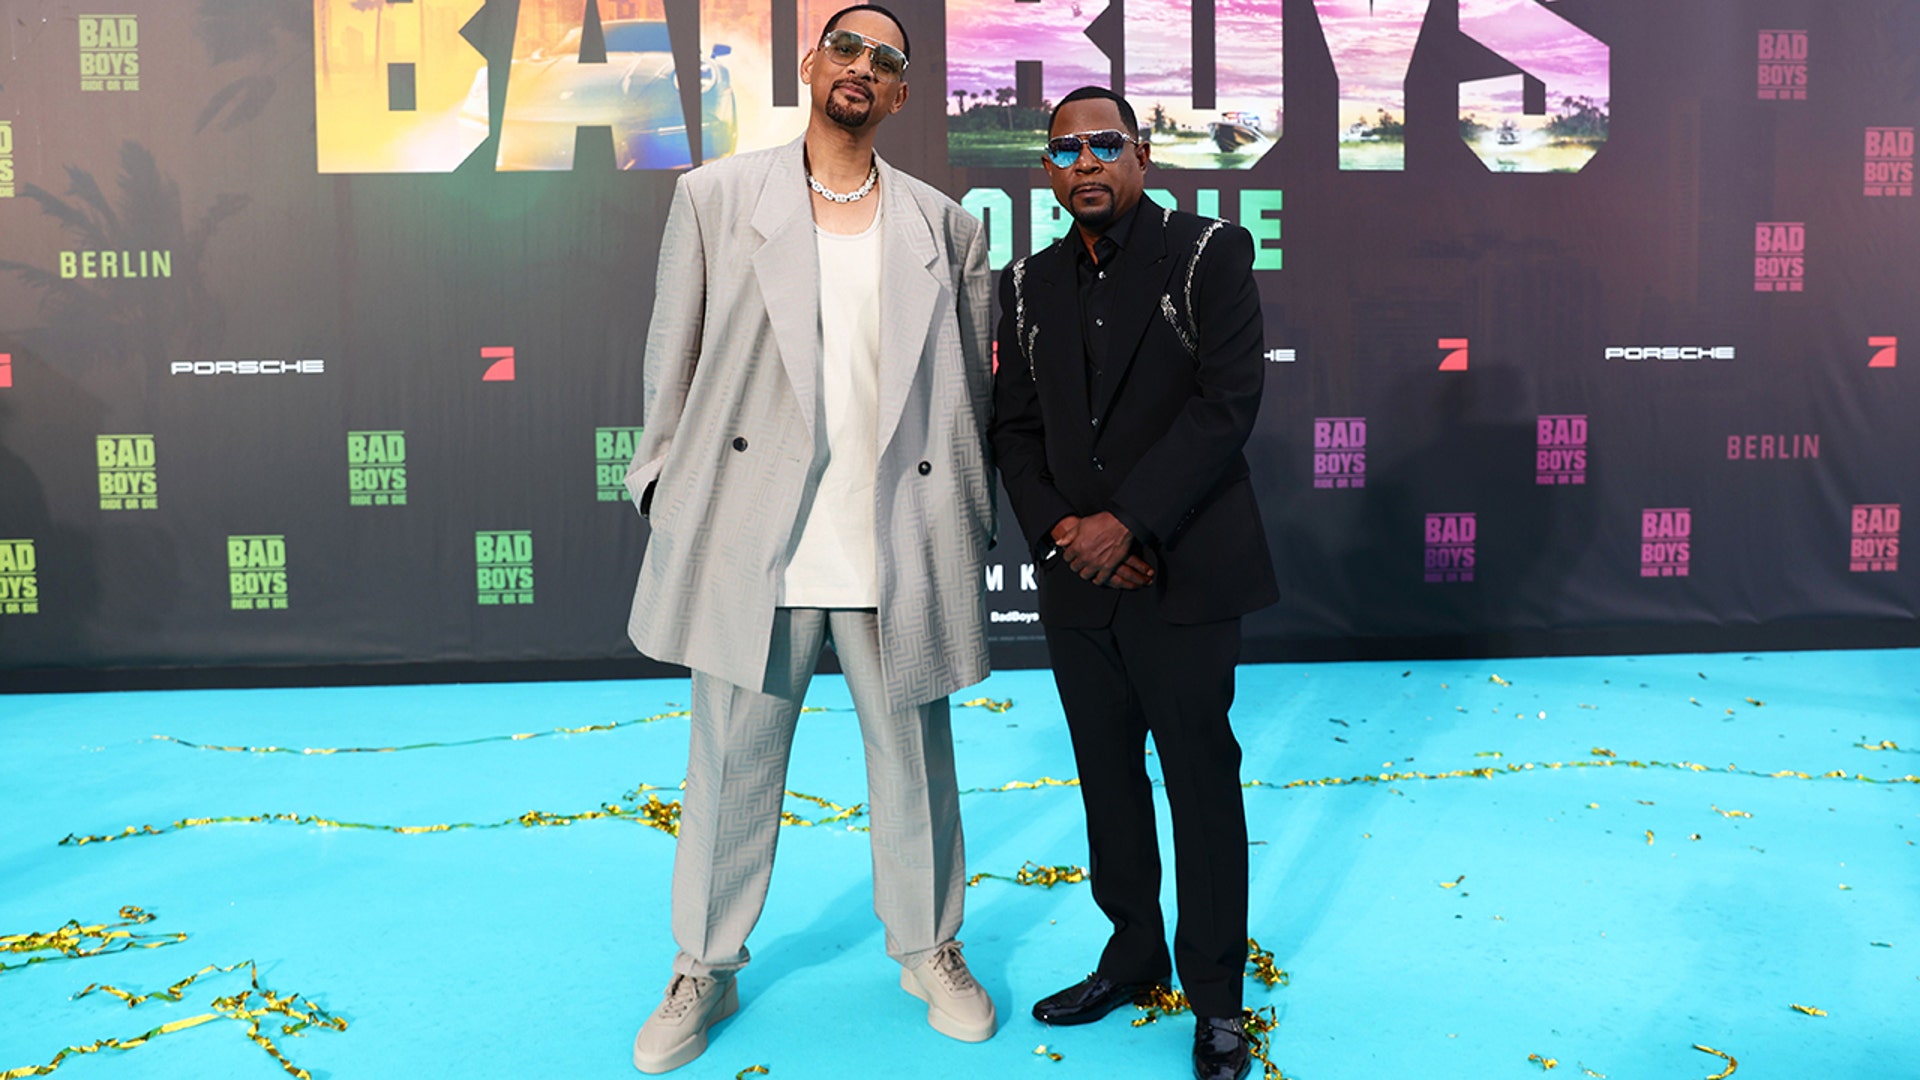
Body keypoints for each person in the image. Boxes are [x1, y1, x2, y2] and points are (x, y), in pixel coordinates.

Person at [622, 5, 997, 1072]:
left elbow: (966, 398)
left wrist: (961, 528)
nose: (863, 69)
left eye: (887, 60)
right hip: (758, 537)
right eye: (848, 49)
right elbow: (671, 359)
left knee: (917, 766)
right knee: (731, 767)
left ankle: (930, 948)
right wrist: (662, 492)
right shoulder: (716, 197)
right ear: (812, 64)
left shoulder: (944, 226)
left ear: (901, 94)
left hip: (895, 541)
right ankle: (704, 965)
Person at [989, 86, 1278, 1080]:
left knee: (1199, 784)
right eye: (1065, 150)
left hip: (1184, 576)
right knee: (1108, 784)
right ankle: (1131, 953)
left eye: (1105, 144)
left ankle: (1216, 998)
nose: (1086, 163)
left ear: (1143, 155)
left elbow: (1227, 404)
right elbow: (1015, 431)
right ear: (1046, 172)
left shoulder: (1208, 255)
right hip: (1078, 583)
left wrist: (1130, 523)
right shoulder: (1025, 284)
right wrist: (1067, 531)